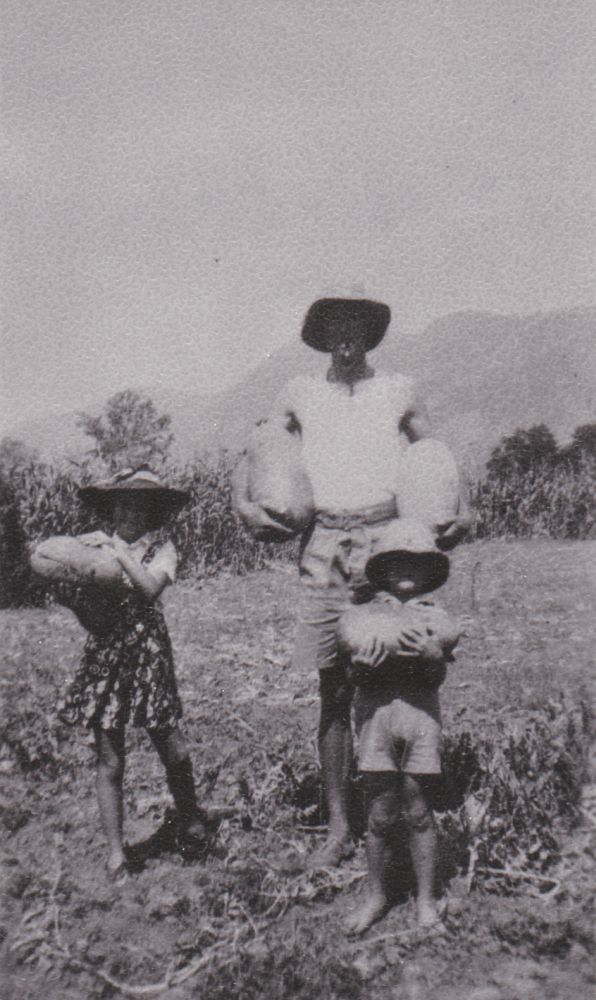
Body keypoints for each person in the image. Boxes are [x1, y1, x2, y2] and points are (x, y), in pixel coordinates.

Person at [268, 296, 447, 868]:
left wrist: (452, 514)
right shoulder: (299, 391)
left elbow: (433, 455)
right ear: (320, 335)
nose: (346, 336)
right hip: (323, 543)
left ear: (370, 334)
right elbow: (261, 450)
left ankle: (396, 813)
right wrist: (247, 507)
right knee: (332, 686)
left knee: (395, 674)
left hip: (386, 542)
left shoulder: (399, 389)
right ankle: (340, 826)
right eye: (335, 327)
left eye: (357, 326)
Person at [55, 467, 208, 883]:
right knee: (110, 759)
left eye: (137, 506)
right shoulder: (92, 551)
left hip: (149, 656)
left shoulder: (162, 549)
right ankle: (116, 854)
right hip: (107, 657)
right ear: (111, 508)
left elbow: (150, 589)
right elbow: (95, 620)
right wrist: (73, 596)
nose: (127, 512)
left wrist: (117, 554)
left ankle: (191, 820)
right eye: (121, 504)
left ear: (151, 513)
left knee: (173, 749)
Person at [340, 519, 460, 934]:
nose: (404, 570)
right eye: (394, 563)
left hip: (420, 723)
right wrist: (358, 668)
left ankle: (426, 900)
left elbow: (434, 681)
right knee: (378, 814)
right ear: (381, 570)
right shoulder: (364, 617)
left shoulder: (436, 619)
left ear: (430, 571)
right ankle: (376, 896)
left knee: (418, 810)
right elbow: (356, 681)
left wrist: (432, 656)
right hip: (375, 724)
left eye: (414, 563)